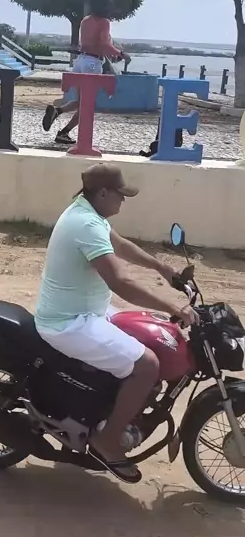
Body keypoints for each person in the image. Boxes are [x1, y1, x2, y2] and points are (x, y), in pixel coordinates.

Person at [34, 163, 198, 483]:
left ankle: (104, 409)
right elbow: (120, 282)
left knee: (147, 331)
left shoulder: (88, 213)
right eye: (120, 194)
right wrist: (172, 307)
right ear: (103, 193)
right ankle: (107, 441)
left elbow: (121, 246)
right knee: (147, 365)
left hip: (87, 310)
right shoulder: (85, 224)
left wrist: (162, 268)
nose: (123, 200)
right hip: (69, 321)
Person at [42, 0, 131, 146]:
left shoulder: (85, 21)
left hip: (80, 61)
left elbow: (93, 43)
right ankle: (64, 132)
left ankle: (58, 112)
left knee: (80, 101)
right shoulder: (104, 22)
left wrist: (111, 51)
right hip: (92, 64)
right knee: (88, 105)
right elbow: (104, 44)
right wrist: (122, 54)